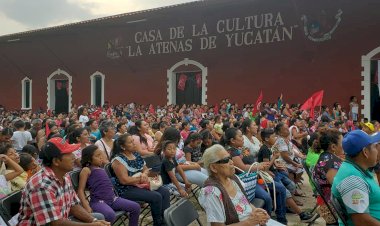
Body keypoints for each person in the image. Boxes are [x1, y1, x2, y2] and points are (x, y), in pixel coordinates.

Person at [18, 137, 110, 226]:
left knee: (98, 217)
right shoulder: (42, 185)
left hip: (60, 220)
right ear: (56, 161)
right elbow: (55, 223)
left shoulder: (64, 176)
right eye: (69, 153)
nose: (74, 156)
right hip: (53, 223)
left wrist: (94, 221)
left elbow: (73, 205)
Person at [221, 127, 288, 224]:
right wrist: (259, 166)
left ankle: (274, 217)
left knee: (278, 190)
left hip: (253, 178)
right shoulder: (232, 152)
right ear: (232, 140)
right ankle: (267, 220)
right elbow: (243, 168)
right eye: (240, 136)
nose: (243, 138)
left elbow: (250, 160)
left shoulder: (241, 149)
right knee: (267, 197)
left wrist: (260, 165)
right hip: (246, 181)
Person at [199, 144, 272, 226]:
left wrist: (255, 211)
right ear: (213, 168)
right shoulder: (211, 192)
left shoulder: (233, 179)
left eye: (230, 158)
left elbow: (244, 202)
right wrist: (249, 222)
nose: (232, 162)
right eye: (226, 160)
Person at [111, 134, 170, 226]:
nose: (134, 144)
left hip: (141, 184)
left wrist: (144, 174)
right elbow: (124, 181)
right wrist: (140, 178)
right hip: (126, 189)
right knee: (156, 196)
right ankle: (158, 223)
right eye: (130, 142)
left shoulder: (135, 154)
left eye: (133, 141)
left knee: (165, 192)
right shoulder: (118, 160)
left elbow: (146, 169)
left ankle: (165, 220)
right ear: (123, 146)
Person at [78, 145, 140, 225]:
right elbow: (80, 190)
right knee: (110, 215)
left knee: (136, 207)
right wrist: (86, 206)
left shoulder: (101, 168)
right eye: (97, 156)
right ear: (89, 159)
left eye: (101, 154)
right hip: (98, 202)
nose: (101, 157)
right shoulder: (86, 170)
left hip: (113, 199)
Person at [331, 130, 380, 226]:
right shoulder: (352, 180)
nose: (377, 151)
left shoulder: (356, 169)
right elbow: (362, 222)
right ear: (365, 152)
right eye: (375, 147)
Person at [312, 129, 344, 225]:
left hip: (327, 201)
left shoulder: (326, 157)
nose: (344, 145)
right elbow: (337, 186)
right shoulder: (331, 162)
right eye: (342, 142)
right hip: (331, 205)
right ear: (333, 146)